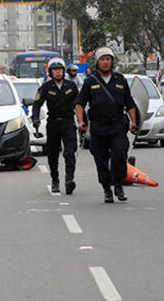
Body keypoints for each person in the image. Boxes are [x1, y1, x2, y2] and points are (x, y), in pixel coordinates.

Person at [75, 47, 138, 203]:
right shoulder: (90, 81)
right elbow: (79, 103)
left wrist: (134, 122)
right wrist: (81, 121)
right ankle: (106, 189)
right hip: (98, 127)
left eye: (108, 59)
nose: (105, 62)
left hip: (118, 126)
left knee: (119, 155)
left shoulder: (120, 80)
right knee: (101, 159)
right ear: (97, 62)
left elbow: (130, 103)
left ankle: (118, 184)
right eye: (102, 59)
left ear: (112, 62)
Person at [32, 57, 78, 195]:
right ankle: (55, 180)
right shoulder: (46, 87)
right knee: (52, 155)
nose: (57, 72)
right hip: (53, 124)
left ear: (64, 71)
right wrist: (35, 119)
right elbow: (36, 104)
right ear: (50, 72)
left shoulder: (71, 86)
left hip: (68, 123)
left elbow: (79, 104)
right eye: (54, 70)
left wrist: (84, 123)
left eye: (59, 69)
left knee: (69, 152)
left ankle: (69, 179)